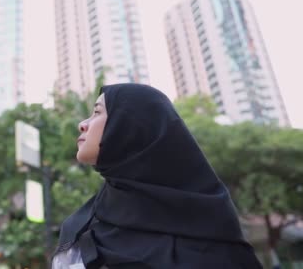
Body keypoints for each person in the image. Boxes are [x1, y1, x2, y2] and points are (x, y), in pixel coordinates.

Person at [52, 83, 263, 268]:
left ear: (130, 127)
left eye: (97, 112)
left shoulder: (210, 226)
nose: (83, 124)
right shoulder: (82, 224)